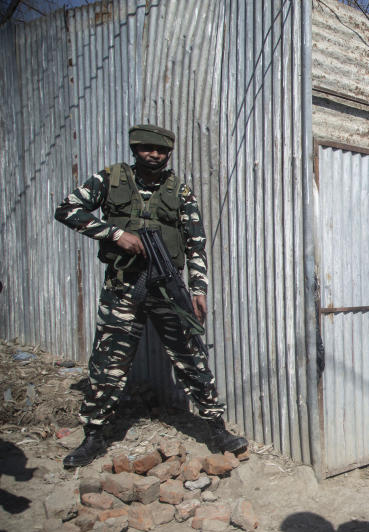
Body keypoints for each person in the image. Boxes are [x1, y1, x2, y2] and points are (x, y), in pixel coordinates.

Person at [54, 124, 247, 469]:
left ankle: (217, 429)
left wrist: (198, 288)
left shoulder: (180, 191)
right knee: (108, 362)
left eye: (160, 151)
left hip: (166, 287)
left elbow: (195, 244)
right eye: (146, 149)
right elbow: (67, 209)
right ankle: (94, 436)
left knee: (191, 357)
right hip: (123, 285)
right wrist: (115, 234)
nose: (154, 155)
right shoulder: (110, 179)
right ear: (134, 149)